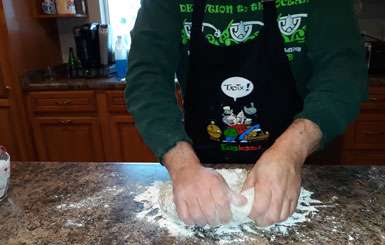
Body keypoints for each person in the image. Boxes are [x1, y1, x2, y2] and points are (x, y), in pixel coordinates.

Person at [125, 0, 368, 226]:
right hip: (199, 163)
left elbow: (343, 73)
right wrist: (181, 164)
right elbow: (148, 77)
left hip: (303, 161)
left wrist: (292, 150)